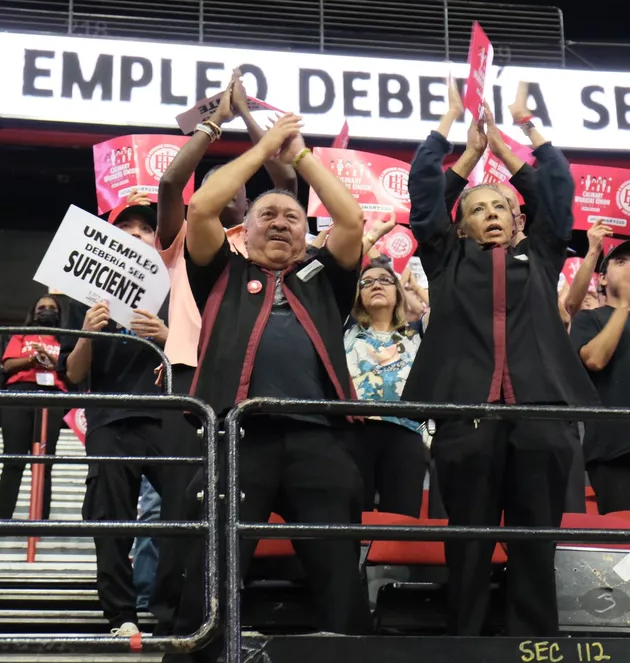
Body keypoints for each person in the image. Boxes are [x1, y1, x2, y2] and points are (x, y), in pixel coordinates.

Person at [168, 113, 370, 658]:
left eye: (292, 217)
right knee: (212, 570)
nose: (280, 223)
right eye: (267, 215)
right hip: (237, 439)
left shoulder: (326, 276)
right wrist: (263, 154)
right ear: (246, 230)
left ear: (307, 234)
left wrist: (301, 156)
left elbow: (350, 220)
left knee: (338, 574)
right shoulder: (221, 269)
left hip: (319, 441)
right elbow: (202, 207)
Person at [404, 81, 596, 637]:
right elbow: (425, 193)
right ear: (460, 223)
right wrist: (458, 139)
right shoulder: (445, 258)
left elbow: (556, 192)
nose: (491, 213)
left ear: (518, 219)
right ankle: (465, 642)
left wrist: (519, 132)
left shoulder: (540, 252)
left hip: (540, 418)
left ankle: (535, 643)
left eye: (502, 206)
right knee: (468, 542)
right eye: (478, 208)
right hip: (468, 417)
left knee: (535, 543)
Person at [152, 70, 297, 633]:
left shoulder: (272, 243)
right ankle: (177, 617)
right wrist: (217, 123)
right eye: (222, 186)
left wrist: (252, 123)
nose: (236, 192)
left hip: (255, 385)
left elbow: (285, 177)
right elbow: (170, 187)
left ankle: (234, 613)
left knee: (238, 512)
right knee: (187, 505)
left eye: (244, 187)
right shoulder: (192, 240)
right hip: (193, 380)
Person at [62, 200, 171, 638]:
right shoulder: (83, 296)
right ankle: (121, 615)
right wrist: (88, 332)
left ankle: (177, 603)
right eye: (125, 226)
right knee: (110, 521)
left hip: (168, 418)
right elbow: (72, 372)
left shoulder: (177, 286)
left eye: (146, 227)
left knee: (190, 511)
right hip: (109, 420)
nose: (136, 233)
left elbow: (203, 353)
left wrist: (168, 336)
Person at [571, 236, 630, 514]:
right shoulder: (590, 319)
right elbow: (595, 359)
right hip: (614, 445)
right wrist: (623, 304)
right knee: (628, 544)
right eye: (620, 262)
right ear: (603, 279)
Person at [344, 257, 428, 517]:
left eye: (385, 280)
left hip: (405, 433)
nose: (376, 285)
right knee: (350, 516)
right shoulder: (343, 329)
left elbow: (445, 307)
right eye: (366, 282)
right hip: (353, 432)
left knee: (401, 519)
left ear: (398, 291)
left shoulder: (417, 333)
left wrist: (416, 286)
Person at [0, 295, 66, 521]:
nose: (46, 310)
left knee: (44, 464)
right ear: (34, 312)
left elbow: (71, 371)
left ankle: (41, 522)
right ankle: (3, 520)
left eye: (51, 308)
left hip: (52, 397)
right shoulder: (21, 335)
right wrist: (33, 360)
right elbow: (7, 365)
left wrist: (50, 360)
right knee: (13, 460)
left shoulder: (66, 339)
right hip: (19, 394)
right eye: (42, 307)